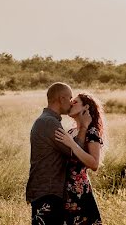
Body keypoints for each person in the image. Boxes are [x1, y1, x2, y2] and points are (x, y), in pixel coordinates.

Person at [27, 82, 77, 225]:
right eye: (70, 98)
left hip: (46, 191)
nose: (72, 102)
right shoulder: (49, 123)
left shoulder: (48, 120)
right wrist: (84, 126)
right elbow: (72, 151)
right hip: (47, 192)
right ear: (61, 99)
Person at [54, 93, 105, 225]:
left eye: (75, 102)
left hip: (79, 191)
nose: (71, 104)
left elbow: (94, 164)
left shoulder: (92, 132)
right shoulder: (70, 132)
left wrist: (72, 144)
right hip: (64, 191)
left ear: (85, 107)